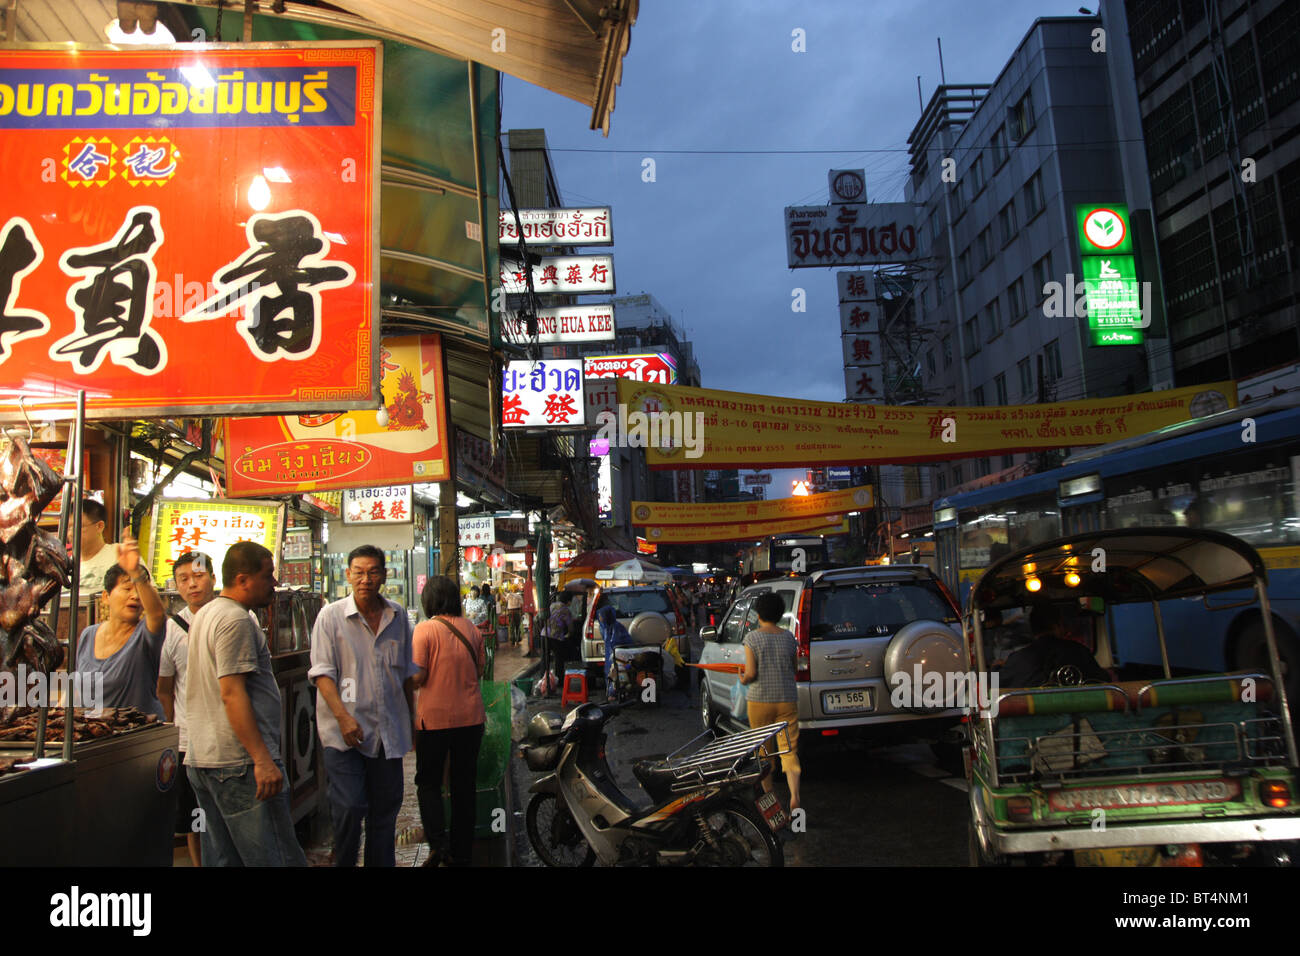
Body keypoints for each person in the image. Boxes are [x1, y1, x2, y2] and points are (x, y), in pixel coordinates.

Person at [185, 541, 306, 867]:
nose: (274, 584)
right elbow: (232, 694)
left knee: (224, 860)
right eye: (268, 576)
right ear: (242, 580)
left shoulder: (206, 613)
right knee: (275, 858)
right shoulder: (234, 620)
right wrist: (261, 759)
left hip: (207, 760)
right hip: (239, 765)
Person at [308, 545, 419, 868]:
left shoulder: (398, 617)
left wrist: (412, 725)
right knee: (351, 807)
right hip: (345, 736)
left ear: (384, 575)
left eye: (372, 572)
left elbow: (406, 676)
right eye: (358, 572)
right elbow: (322, 674)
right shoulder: (330, 617)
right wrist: (343, 717)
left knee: (385, 814)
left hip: (387, 735)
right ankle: (343, 861)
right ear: (347, 575)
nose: (365, 579)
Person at [411, 577, 485, 867]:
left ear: (429, 601)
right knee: (463, 785)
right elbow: (479, 670)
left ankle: (439, 846)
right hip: (470, 719)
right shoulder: (472, 629)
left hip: (434, 721)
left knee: (428, 783)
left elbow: (417, 677)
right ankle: (462, 852)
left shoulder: (424, 630)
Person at [157, 550, 219, 868]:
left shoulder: (239, 616)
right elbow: (164, 689)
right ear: (177, 585)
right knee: (196, 817)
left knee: (227, 813)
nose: (192, 584)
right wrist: (171, 735)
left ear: (213, 577)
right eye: (184, 579)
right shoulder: (171, 629)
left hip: (228, 740)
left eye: (198, 575)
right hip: (188, 743)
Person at [75, 531, 166, 718]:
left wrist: (136, 573)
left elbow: (157, 613)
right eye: (126, 588)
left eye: (138, 590)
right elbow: (78, 690)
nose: (134, 595)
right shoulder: (88, 635)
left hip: (136, 738)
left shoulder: (144, 634)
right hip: (96, 735)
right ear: (106, 597)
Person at [739, 591, 801, 812]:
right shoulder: (789, 638)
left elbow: (751, 673)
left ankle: (771, 799)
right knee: (788, 749)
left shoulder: (752, 638)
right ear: (779, 614)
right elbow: (794, 669)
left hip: (759, 700)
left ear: (758, 614)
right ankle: (794, 795)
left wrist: (742, 677)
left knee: (764, 751)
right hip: (786, 699)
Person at [999, 603, 1110, 688]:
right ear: (1057, 625)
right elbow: (1104, 681)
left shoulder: (1017, 659)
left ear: (1032, 629)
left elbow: (997, 686)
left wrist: (995, 669)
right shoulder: (1079, 652)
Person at [77, 498, 119, 598]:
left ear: (99, 526)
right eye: (69, 527)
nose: (70, 533)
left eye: (78, 526)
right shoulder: (65, 564)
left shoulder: (119, 554)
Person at [596, 604, 633, 697]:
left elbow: (616, 642)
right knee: (611, 673)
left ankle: (617, 692)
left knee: (617, 673)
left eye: (601, 616)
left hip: (619, 655)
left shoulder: (616, 628)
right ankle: (612, 692)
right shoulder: (605, 628)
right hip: (611, 655)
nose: (599, 618)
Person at [546, 592, 574, 679]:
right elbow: (570, 627)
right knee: (558, 658)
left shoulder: (552, 605)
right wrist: (569, 634)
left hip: (544, 634)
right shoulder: (565, 609)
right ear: (568, 601)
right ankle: (559, 679)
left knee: (545, 659)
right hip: (556, 636)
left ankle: (544, 679)